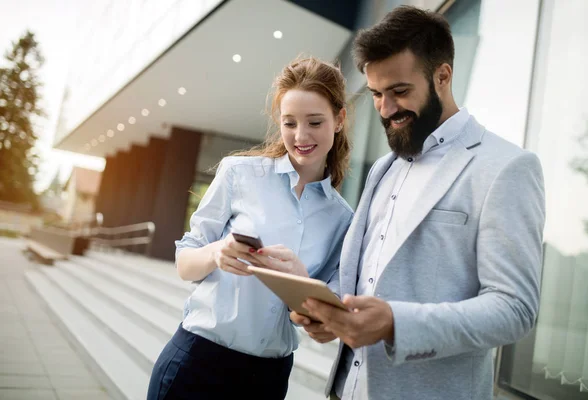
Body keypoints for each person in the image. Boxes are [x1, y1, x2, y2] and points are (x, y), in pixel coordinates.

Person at [290, 6, 546, 400]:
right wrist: (328, 311)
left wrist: (395, 323)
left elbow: (514, 309)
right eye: (376, 94)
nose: (386, 108)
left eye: (400, 92)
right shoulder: (382, 169)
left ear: (443, 76)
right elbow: (367, 272)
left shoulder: (506, 167)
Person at [146, 57, 354, 400]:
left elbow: (326, 325)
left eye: (314, 122)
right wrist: (217, 252)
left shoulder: (343, 219)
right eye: (289, 123)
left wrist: (305, 286)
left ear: (339, 120)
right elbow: (185, 264)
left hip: (266, 380)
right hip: (197, 363)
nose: (300, 136)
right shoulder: (238, 174)